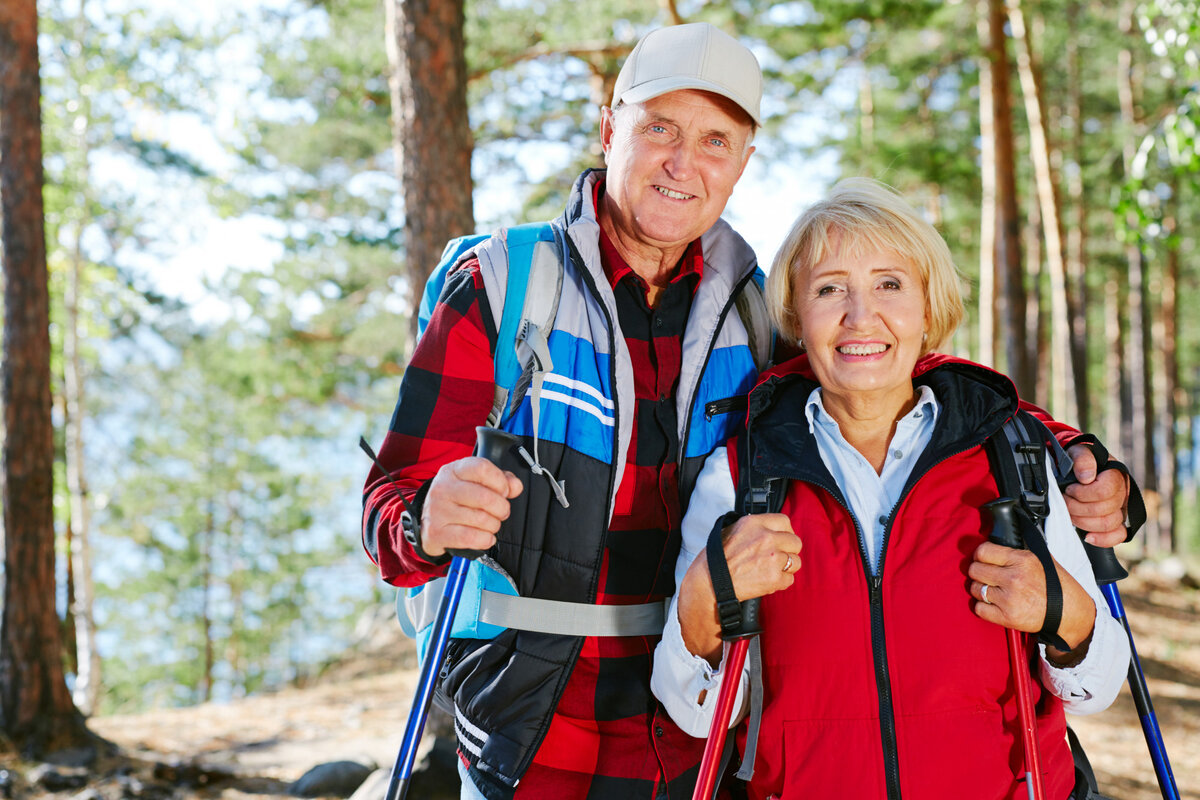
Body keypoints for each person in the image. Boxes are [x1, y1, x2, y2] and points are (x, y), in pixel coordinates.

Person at [362, 23, 1130, 800]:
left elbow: (877, 371)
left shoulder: (754, 311)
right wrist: (426, 518)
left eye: (715, 140)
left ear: (742, 163)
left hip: (706, 748)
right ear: (608, 128)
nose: (682, 162)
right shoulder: (503, 286)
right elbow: (389, 506)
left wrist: (1065, 451)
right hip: (536, 743)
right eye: (658, 128)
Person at [651, 178, 1130, 800]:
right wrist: (704, 600)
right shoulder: (743, 476)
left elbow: (1097, 686)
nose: (860, 315)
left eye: (889, 284)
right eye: (829, 290)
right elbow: (696, 714)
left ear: (927, 309)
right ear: (797, 318)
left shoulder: (1012, 459)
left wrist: (1062, 611)